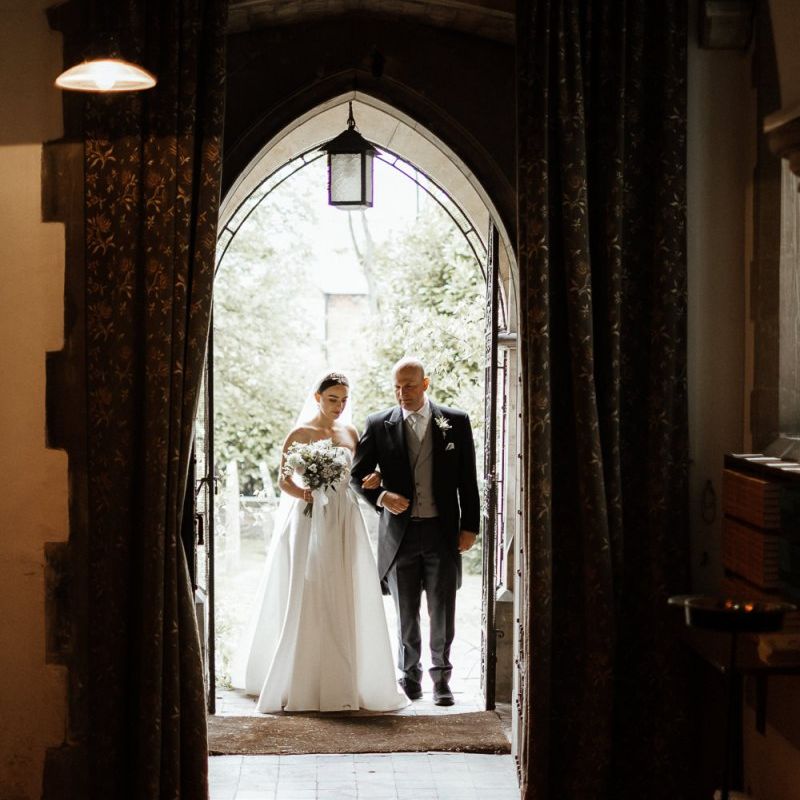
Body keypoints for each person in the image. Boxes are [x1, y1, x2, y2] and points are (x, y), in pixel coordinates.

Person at [232, 372, 408, 713]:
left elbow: (358, 475)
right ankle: (303, 674)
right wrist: (304, 492)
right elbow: (283, 480)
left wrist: (377, 479)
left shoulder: (351, 433)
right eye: (333, 399)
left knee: (344, 586)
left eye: (344, 400)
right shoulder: (300, 434)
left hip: (344, 517)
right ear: (317, 397)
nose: (339, 406)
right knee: (309, 586)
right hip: (309, 519)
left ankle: (347, 674)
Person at [351, 357, 480, 706]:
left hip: (442, 532)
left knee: (442, 609)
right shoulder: (379, 424)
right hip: (400, 537)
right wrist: (380, 495)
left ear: (425, 384)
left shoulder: (454, 422)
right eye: (396, 386)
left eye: (409, 385)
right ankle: (410, 677)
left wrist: (470, 526)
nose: (401, 393)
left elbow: (468, 479)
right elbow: (355, 474)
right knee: (405, 613)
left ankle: (442, 678)